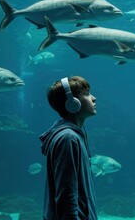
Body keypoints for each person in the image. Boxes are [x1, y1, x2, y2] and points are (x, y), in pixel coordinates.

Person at [39, 76, 98, 220]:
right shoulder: (68, 139)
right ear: (73, 103)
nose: (94, 98)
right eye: (86, 94)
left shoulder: (72, 136)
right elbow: (67, 194)